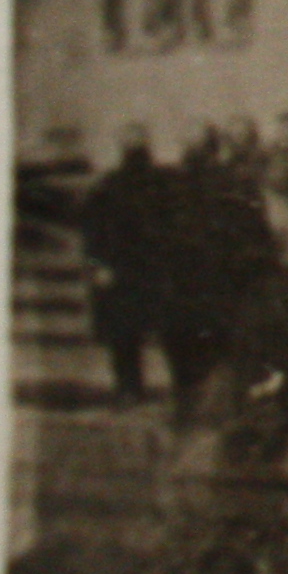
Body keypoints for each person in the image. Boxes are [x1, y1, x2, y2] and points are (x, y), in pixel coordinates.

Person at [77, 127, 174, 405]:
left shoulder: (115, 183)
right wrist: (98, 264)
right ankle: (129, 387)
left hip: (133, 270)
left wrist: (99, 265)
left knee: (128, 333)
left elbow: (91, 228)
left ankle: (130, 388)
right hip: (133, 269)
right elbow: (92, 228)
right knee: (127, 333)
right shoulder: (117, 184)